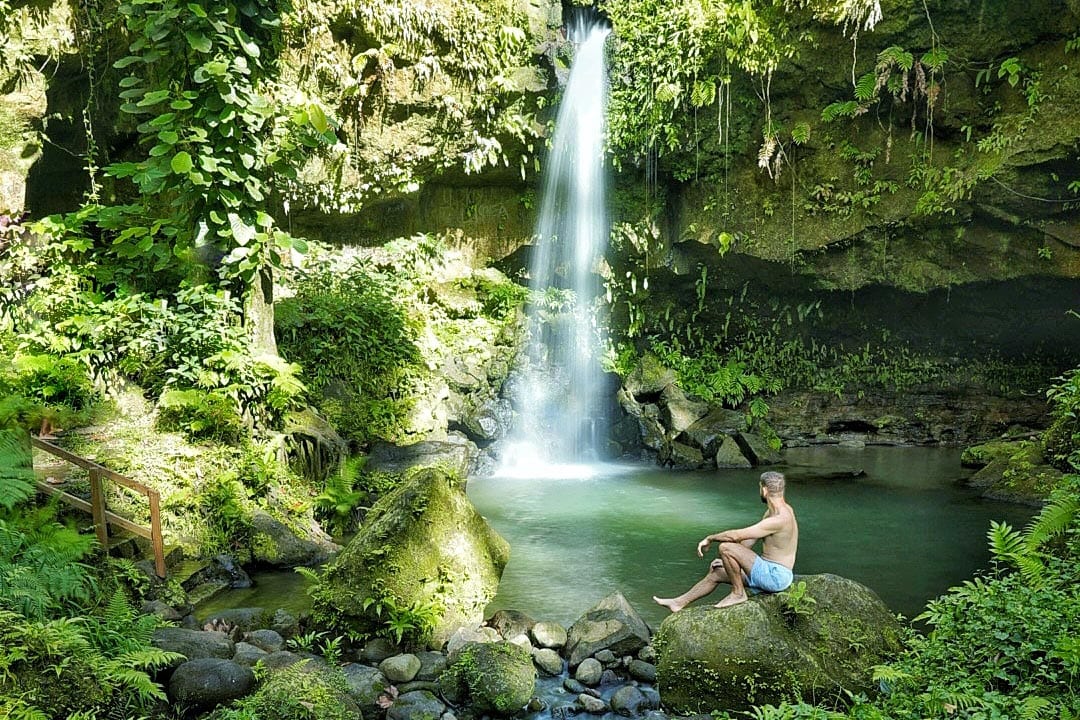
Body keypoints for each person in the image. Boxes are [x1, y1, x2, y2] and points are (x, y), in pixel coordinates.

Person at [654, 470, 798, 610]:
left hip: (775, 576)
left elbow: (735, 536)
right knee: (717, 572)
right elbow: (749, 541)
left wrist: (710, 538)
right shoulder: (774, 512)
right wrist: (726, 561)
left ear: (764, 490)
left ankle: (738, 594)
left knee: (726, 547)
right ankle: (678, 603)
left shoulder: (779, 519)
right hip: (767, 571)